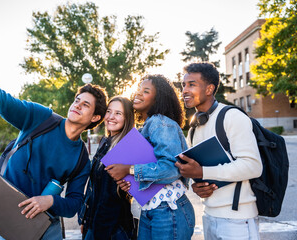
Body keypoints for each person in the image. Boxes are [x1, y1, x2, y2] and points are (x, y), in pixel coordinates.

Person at [0, 33, 108, 240]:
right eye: (77, 100)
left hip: (46, 227)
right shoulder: (40, 117)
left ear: (95, 117)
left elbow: (74, 204)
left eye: (85, 105)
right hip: (7, 218)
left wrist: (49, 201)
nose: (77, 105)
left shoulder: (81, 159)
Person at [175, 62, 262, 240]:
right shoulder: (194, 126)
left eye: (191, 84)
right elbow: (203, 172)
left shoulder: (232, 116)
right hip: (209, 215)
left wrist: (203, 171)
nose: (184, 90)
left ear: (209, 89)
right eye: (184, 85)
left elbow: (253, 166)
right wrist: (198, 186)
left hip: (238, 220)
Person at [106, 75, 195, 240]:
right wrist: (129, 183)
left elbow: (171, 168)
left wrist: (129, 170)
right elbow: (151, 169)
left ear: (158, 98)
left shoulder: (161, 123)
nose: (138, 94)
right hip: (151, 209)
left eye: (145, 91)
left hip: (169, 210)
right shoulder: (147, 126)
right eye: (138, 90)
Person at [80, 96, 135, 240]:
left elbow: (110, 200)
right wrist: (85, 221)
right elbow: (94, 188)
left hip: (111, 229)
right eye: (109, 111)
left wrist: (95, 232)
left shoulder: (125, 148)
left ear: (127, 118)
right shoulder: (105, 142)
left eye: (118, 113)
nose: (111, 117)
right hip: (94, 223)